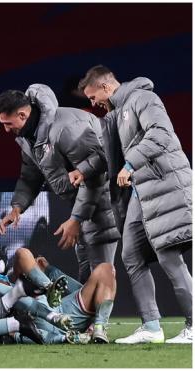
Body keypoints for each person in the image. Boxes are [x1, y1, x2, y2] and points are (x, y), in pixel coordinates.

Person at [79, 65, 192, 344]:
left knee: (169, 256)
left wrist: (130, 165)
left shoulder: (143, 98)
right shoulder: (116, 114)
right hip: (142, 193)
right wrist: (83, 170)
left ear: (106, 87)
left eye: (94, 98)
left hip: (166, 186)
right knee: (131, 254)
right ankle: (152, 326)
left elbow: (161, 134)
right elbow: (110, 156)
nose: (94, 104)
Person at [0, 85, 120, 282]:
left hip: (103, 204)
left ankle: (149, 314)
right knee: (88, 278)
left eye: (8, 123)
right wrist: (17, 207)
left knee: (101, 277)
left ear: (22, 115)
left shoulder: (67, 128)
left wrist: (76, 219)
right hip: (83, 208)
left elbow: (96, 176)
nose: (5, 129)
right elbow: (30, 176)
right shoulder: (28, 138)